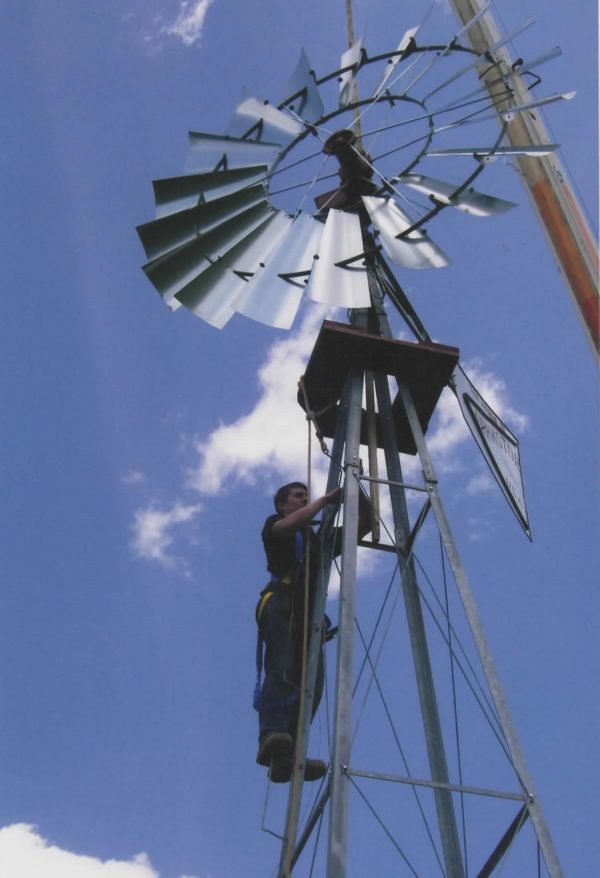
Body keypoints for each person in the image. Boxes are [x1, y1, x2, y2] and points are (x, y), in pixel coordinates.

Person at [254, 480, 369, 783]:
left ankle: (288, 755)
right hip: (281, 604)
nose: (304, 499)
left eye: (306, 495)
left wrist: (359, 495)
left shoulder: (318, 541)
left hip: (309, 614)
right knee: (283, 666)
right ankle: (272, 733)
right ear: (282, 505)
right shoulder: (276, 525)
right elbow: (286, 527)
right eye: (298, 496)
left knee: (311, 684)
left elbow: (360, 530)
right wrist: (322, 502)